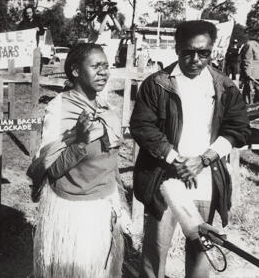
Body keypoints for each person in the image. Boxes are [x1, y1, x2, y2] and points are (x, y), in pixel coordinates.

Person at [130, 20, 250, 278]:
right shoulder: (156, 84)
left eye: (203, 53)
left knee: (200, 252)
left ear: (212, 50)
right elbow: (142, 126)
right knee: (155, 253)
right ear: (176, 49)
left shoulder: (225, 87)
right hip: (164, 179)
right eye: (188, 52)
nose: (195, 59)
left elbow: (239, 129)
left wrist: (203, 160)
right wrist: (176, 159)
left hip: (205, 180)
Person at [27, 43, 130, 278]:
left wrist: (120, 202)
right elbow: (51, 168)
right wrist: (81, 142)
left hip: (103, 206)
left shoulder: (104, 108)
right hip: (73, 213)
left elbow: (110, 163)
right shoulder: (59, 109)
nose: (103, 72)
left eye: (106, 66)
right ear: (75, 71)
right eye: (96, 66)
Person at [240, 28, 259, 103]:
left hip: (257, 76)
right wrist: (248, 75)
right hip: (252, 77)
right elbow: (247, 60)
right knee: (249, 98)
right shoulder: (250, 44)